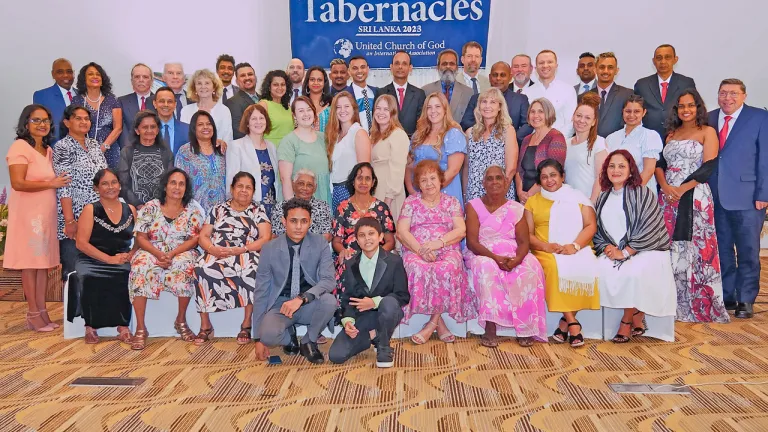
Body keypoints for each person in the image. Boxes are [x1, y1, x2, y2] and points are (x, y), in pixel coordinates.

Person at [656, 89, 729, 323]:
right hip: (667, 198)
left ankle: (697, 303)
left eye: (690, 105)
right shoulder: (670, 133)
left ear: (698, 107)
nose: (686, 110)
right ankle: (672, 303)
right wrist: (666, 188)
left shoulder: (707, 132)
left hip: (695, 196)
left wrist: (681, 189)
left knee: (696, 249)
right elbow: (660, 164)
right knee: (668, 247)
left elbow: (708, 167)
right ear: (676, 109)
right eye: (681, 106)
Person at [594, 150, 676, 343]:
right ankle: (636, 312)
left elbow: (650, 228)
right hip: (615, 251)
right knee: (597, 269)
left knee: (632, 272)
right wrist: (607, 248)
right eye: (612, 166)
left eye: (622, 166)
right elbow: (600, 231)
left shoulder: (642, 193)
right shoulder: (604, 196)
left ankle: (627, 320)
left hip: (647, 250)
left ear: (631, 170)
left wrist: (625, 252)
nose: (616, 170)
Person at [464, 166, 547, 347]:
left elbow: (524, 242)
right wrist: (495, 258)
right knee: (486, 267)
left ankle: (526, 327)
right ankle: (490, 326)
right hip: (483, 252)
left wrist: (517, 259)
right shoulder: (473, 206)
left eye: (499, 178)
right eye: (490, 179)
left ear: (506, 183)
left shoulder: (516, 208)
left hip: (512, 252)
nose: (494, 182)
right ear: (483, 183)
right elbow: (471, 242)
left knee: (531, 266)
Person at [708, 78, 768, 319]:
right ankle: (728, 294)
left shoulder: (759, 118)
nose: (727, 98)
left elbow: (765, 158)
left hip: (748, 197)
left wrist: (764, 193)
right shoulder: (710, 118)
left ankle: (746, 299)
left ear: (743, 95)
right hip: (716, 195)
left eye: (733, 93)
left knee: (748, 250)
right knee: (721, 249)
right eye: (723, 93)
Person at [524, 160, 601, 347]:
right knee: (552, 266)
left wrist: (574, 246)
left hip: (576, 247)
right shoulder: (533, 202)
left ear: (562, 177)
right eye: (544, 177)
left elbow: (591, 226)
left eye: (553, 175)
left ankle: (564, 323)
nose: (549, 180)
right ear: (539, 181)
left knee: (587, 265)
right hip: (545, 250)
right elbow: (528, 234)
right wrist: (546, 246)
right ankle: (573, 322)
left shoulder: (578, 197)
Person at [5, 104, 69, 332]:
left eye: (46, 120)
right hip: (28, 215)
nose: (42, 125)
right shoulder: (19, 147)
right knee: (29, 265)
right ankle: (32, 313)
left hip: (46, 215)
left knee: (43, 266)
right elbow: (18, 183)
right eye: (36, 120)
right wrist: (51, 183)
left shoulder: (47, 150)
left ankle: (42, 311)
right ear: (26, 124)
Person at [252, 198, 338, 365]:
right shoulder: (269, 248)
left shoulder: (320, 243)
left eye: (304, 221)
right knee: (268, 335)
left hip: (308, 302)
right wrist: (257, 338)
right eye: (293, 221)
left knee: (329, 301)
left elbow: (328, 280)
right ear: (284, 221)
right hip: (281, 304)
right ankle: (288, 335)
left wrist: (302, 298)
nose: (299, 227)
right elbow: (261, 291)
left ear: (310, 222)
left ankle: (308, 341)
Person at [398, 160, 475, 343]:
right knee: (417, 267)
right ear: (418, 184)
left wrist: (437, 243)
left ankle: (431, 324)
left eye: (433, 178)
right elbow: (402, 231)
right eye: (423, 180)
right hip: (416, 248)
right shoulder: (411, 202)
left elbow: (460, 230)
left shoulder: (452, 202)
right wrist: (421, 250)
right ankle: (439, 324)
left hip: (446, 246)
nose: (429, 183)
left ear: (441, 180)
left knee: (447, 268)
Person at [129, 168, 205, 350]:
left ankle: (180, 320)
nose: (177, 187)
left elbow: (194, 239)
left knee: (186, 265)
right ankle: (140, 328)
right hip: (151, 249)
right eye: (173, 183)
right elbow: (140, 237)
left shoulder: (192, 210)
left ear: (186, 189)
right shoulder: (150, 207)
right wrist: (158, 254)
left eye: (181, 184)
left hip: (180, 250)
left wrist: (171, 254)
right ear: (165, 186)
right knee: (141, 266)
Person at [194, 172, 272, 345]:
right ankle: (206, 325)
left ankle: (246, 325)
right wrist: (212, 249)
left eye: (248, 188)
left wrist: (243, 249)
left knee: (252, 269)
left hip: (246, 252)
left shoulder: (257, 210)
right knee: (201, 267)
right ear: (232, 188)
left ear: (253, 192)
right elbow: (204, 236)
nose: (244, 191)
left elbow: (265, 238)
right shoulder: (218, 209)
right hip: (218, 251)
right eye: (240, 186)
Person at [329, 218, 410, 367]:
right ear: (357, 241)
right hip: (362, 317)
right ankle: (374, 335)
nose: (367, 238)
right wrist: (348, 322)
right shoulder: (351, 263)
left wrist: (374, 302)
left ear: (380, 237)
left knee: (389, 303)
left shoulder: (394, 261)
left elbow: (403, 295)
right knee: (336, 355)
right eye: (362, 235)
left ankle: (384, 346)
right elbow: (347, 300)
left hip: (386, 312)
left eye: (371, 233)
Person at [74, 169, 137, 344]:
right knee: (88, 276)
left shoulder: (130, 209)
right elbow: (81, 243)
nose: (111, 187)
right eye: (105, 183)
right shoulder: (90, 209)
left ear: (120, 185)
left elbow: (140, 239)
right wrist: (109, 259)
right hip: (91, 259)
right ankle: (91, 327)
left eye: (114, 182)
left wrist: (130, 254)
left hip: (121, 258)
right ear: (96, 188)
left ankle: (123, 326)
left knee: (126, 273)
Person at [53, 105, 108, 279]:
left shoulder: (93, 144)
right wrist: (70, 220)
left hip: (98, 216)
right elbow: (64, 185)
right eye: (78, 118)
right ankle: (74, 306)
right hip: (75, 216)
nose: (84, 122)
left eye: (86, 118)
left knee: (95, 271)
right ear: (67, 122)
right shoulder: (63, 147)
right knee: (74, 271)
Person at [332, 163, 396, 283]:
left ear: (373, 183)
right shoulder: (342, 207)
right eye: (359, 178)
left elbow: (390, 241)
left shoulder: (381, 207)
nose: (363, 182)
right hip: (350, 259)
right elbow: (336, 241)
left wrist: (375, 256)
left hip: (376, 257)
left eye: (368, 178)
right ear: (353, 181)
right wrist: (343, 251)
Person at [406, 92, 466, 208]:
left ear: (445, 109)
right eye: (429, 107)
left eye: (437, 106)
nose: (433, 111)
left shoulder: (453, 134)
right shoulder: (418, 135)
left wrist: (430, 194)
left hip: (445, 194)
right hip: (419, 197)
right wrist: (412, 192)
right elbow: (409, 167)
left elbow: (453, 170)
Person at [464, 87, 518, 202]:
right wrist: (465, 195)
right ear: (479, 106)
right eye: (484, 101)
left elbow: (511, 168)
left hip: (500, 194)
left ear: (499, 107)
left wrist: (499, 196)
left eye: (493, 102)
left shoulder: (508, 130)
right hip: (474, 194)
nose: (487, 106)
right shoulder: (470, 133)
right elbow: (466, 168)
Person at [226, 104, 280, 216]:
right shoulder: (236, 146)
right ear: (247, 123)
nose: (258, 122)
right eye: (254, 119)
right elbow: (231, 180)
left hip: (272, 207)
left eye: (261, 118)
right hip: (247, 208)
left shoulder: (271, 147)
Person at [633, 44, 696, 139]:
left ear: (675, 59)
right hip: (647, 139)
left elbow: (693, 110)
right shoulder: (642, 84)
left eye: (667, 57)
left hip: (679, 137)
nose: (663, 61)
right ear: (653, 61)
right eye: (659, 58)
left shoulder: (686, 83)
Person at [278, 96, 331, 207]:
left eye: (309, 109)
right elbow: (285, 179)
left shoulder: (323, 138)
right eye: (301, 111)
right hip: (299, 201)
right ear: (294, 115)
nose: (306, 114)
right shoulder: (288, 141)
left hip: (322, 199)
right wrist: (292, 207)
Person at [460, 61, 532, 143]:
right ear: (490, 77)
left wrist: (509, 138)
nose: (498, 78)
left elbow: (527, 124)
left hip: (512, 146)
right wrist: (485, 135)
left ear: (510, 77)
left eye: (503, 75)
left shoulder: (520, 99)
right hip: (481, 145)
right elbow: (466, 122)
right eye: (495, 75)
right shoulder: (476, 98)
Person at [605, 95, 663, 195]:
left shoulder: (650, 135)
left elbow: (648, 170)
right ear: (622, 111)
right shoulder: (611, 138)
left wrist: (631, 193)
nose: (631, 115)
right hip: (614, 192)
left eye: (636, 111)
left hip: (640, 192)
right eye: (628, 111)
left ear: (644, 112)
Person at [325, 91, 372, 212]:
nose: (342, 110)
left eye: (346, 106)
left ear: (354, 109)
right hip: (334, 191)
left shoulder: (358, 133)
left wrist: (359, 197)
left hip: (350, 191)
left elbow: (364, 171)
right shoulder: (334, 136)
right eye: (338, 107)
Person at [117, 110, 173, 208]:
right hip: (135, 209)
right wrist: (138, 205)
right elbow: (123, 184)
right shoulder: (127, 152)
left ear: (157, 130)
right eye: (145, 127)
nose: (149, 130)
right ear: (137, 130)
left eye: (153, 127)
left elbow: (169, 182)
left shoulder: (166, 152)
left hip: (161, 208)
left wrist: (160, 205)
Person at [71, 62, 123, 168]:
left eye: (98, 74)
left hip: (109, 151)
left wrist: (102, 148)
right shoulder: (77, 101)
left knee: (110, 182)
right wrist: (86, 150)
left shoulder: (112, 100)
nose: (95, 76)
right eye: (90, 74)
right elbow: (73, 128)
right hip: (84, 151)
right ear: (84, 79)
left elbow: (118, 128)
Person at [174, 111, 226, 214]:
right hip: (194, 211)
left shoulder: (222, 150)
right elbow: (178, 182)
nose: (205, 127)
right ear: (194, 129)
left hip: (221, 212)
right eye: (200, 124)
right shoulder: (185, 152)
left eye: (209, 124)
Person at [516, 98, 567, 204]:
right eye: (532, 112)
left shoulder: (556, 137)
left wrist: (529, 195)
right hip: (523, 197)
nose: (536, 115)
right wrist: (520, 193)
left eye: (541, 111)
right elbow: (519, 170)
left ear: (548, 114)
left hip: (546, 197)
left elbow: (553, 173)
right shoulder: (526, 139)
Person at [370, 94, 409, 221]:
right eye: (378, 108)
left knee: (390, 234)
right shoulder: (373, 136)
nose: (381, 112)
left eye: (386, 109)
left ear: (392, 112)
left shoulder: (398, 134)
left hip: (390, 194)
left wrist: (388, 199)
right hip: (375, 190)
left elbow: (397, 169)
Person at [565, 92, 608, 201]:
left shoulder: (599, 143)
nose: (581, 121)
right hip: (569, 201)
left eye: (587, 118)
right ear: (573, 116)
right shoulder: (566, 143)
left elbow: (601, 177)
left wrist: (591, 203)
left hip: (589, 203)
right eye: (578, 116)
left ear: (594, 122)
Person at [523, 50, 577, 137]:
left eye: (549, 62)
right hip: (534, 144)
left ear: (556, 66)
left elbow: (571, 122)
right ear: (536, 67)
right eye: (541, 63)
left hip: (561, 143)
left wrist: (557, 140)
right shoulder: (526, 93)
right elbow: (526, 124)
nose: (545, 65)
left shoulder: (568, 90)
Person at [271, 169, 332, 242]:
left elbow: (327, 236)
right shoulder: (280, 207)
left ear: (315, 188)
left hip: (314, 250)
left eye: (309, 185)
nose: (304, 188)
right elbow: (274, 236)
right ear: (293, 185)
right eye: (301, 184)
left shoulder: (323, 207)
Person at [377, 51, 427, 137]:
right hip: (387, 141)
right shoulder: (381, 93)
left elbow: (422, 123)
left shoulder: (419, 94)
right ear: (391, 67)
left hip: (412, 144)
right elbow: (378, 122)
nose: (400, 67)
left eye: (404, 64)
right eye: (397, 63)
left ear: (410, 68)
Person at [179, 69, 234, 145]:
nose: (203, 86)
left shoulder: (224, 111)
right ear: (194, 88)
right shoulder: (186, 111)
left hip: (218, 155)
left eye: (207, 83)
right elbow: (184, 138)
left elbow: (228, 139)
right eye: (199, 83)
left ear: (214, 87)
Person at [421, 49, 473, 123]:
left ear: (457, 68)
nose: (448, 66)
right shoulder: (425, 91)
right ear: (438, 67)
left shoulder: (468, 93)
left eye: (452, 64)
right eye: (444, 64)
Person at [590, 52, 633, 138]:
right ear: (595, 69)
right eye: (602, 67)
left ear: (616, 70)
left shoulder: (628, 94)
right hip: (591, 146)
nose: (605, 71)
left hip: (618, 146)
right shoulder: (585, 96)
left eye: (610, 67)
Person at [33, 58, 75, 139]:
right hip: (54, 147)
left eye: (69, 72)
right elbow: (38, 126)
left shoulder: (82, 95)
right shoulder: (42, 96)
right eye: (60, 72)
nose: (65, 75)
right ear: (53, 74)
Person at [118, 63, 155, 149]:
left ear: (151, 81)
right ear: (132, 81)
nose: (141, 80)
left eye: (145, 77)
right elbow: (121, 130)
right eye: (137, 77)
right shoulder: (121, 102)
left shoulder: (159, 102)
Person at [225, 62, 260, 141]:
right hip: (248, 148)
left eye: (250, 74)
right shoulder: (232, 102)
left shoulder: (265, 99)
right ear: (237, 81)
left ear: (255, 78)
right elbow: (238, 132)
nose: (247, 78)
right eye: (243, 75)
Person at [258, 70, 294, 146]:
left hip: (289, 151)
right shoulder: (263, 105)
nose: (280, 87)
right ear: (269, 87)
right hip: (272, 151)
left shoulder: (287, 106)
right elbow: (257, 133)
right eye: (275, 85)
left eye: (283, 84)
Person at [153, 86, 189, 155]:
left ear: (175, 104)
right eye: (162, 101)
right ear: (155, 104)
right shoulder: (147, 130)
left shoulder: (187, 130)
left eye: (170, 101)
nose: (166, 105)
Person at [345, 56, 378, 132]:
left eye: (363, 67)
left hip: (376, 140)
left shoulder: (376, 92)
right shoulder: (344, 95)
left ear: (368, 69)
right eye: (355, 68)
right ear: (349, 72)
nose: (359, 71)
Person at [302, 66, 333, 132]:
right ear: (307, 82)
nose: (316, 83)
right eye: (312, 79)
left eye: (319, 80)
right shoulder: (301, 103)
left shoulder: (332, 104)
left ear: (324, 83)